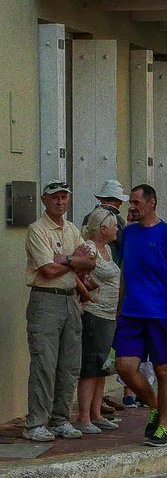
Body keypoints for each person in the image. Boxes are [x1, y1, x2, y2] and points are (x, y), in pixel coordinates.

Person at [114, 185, 167, 448]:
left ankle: (165, 428)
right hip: (131, 314)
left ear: (151, 203)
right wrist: (119, 308)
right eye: (130, 203)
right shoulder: (129, 235)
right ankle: (155, 405)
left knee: (164, 368)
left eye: (135, 203)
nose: (131, 208)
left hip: (160, 314)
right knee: (124, 366)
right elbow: (126, 273)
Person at [24, 181, 96, 443]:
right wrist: (73, 260)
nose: (60, 202)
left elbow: (90, 262)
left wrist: (65, 259)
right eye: (55, 197)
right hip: (46, 300)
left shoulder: (72, 229)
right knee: (44, 362)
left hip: (70, 300)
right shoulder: (37, 230)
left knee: (69, 364)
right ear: (44, 199)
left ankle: (60, 419)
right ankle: (35, 423)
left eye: (64, 197)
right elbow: (47, 270)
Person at [76, 208, 122, 435]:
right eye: (113, 226)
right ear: (102, 229)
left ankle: (96, 413)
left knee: (103, 366)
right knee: (91, 366)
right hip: (95, 314)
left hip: (109, 314)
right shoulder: (91, 248)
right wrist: (87, 294)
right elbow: (76, 273)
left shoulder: (107, 251)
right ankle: (84, 416)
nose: (116, 229)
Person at [88, 179, 129, 267]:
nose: (121, 203)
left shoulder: (89, 216)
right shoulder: (116, 219)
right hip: (110, 265)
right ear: (115, 200)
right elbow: (125, 245)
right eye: (119, 200)